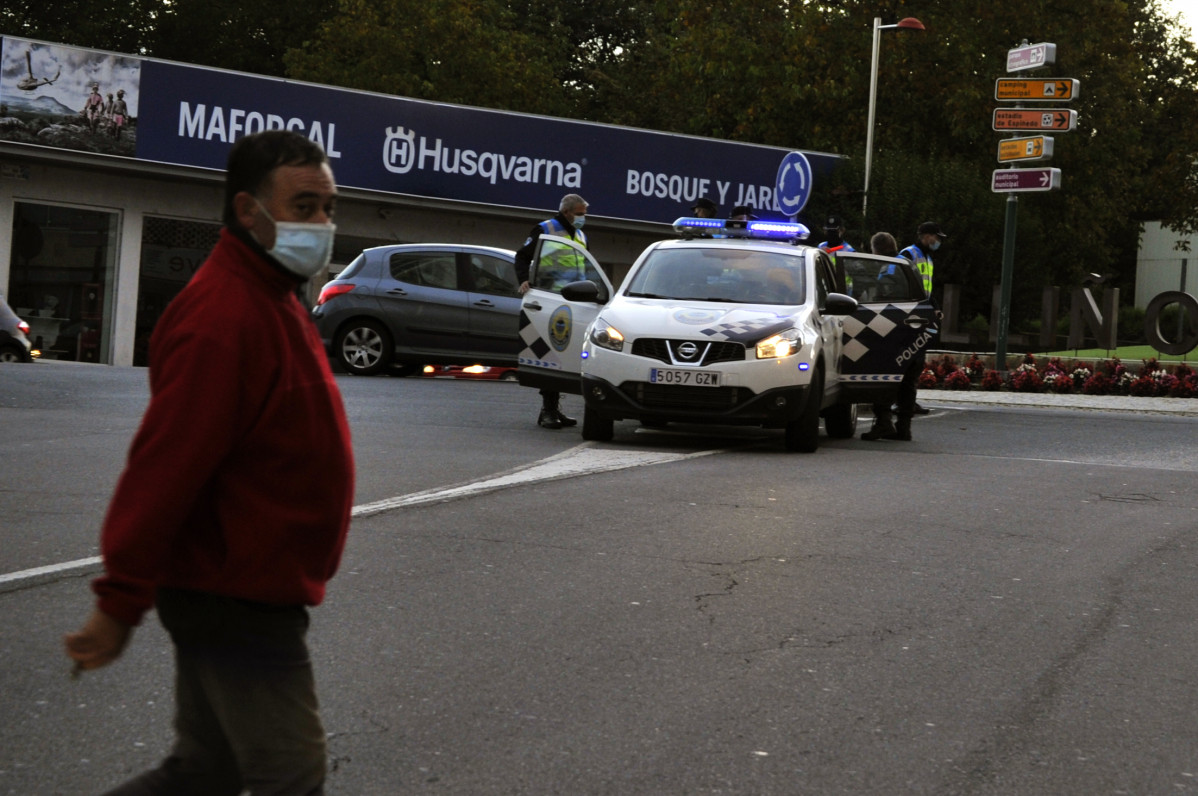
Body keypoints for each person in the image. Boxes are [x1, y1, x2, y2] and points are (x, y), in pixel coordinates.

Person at [64, 130, 355, 796]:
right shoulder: (223, 317)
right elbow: (164, 472)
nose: (321, 224)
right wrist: (119, 603)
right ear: (248, 212)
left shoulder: (272, 294)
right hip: (234, 594)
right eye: (303, 207)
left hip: (246, 584)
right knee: (291, 775)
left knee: (207, 772)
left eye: (327, 207)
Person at [514, 193, 588, 429]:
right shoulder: (546, 229)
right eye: (580, 214)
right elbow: (522, 256)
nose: (583, 218)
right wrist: (524, 280)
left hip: (575, 303)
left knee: (566, 356)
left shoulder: (580, 234)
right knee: (551, 355)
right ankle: (547, 410)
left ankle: (555, 409)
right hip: (551, 300)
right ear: (567, 212)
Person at [861, 231, 901, 441]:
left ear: (876, 249)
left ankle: (884, 423)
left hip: (886, 327)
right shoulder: (902, 261)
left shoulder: (888, 268)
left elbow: (884, 299)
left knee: (880, 375)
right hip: (900, 327)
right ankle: (899, 427)